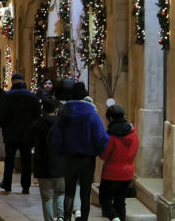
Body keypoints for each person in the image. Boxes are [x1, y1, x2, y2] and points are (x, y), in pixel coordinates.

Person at [49, 82, 109, 221]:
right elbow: (101, 137)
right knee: (85, 193)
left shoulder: (65, 113)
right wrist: (98, 151)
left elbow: (55, 136)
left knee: (69, 192)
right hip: (87, 160)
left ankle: (66, 218)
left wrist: (60, 151)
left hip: (69, 158)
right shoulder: (91, 114)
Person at [0, 73, 40, 194]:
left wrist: (4, 127)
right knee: (26, 160)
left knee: (9, 159)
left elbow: (2, 116)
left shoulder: (7, 96)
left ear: (12, 82)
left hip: (10, 133)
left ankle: (7, 183)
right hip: (27, 134)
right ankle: (25, 186)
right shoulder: (32, 96)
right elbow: (37, 115)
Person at [99, 105, 139, 221]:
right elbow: (135, 149)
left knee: (104, 198)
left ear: (111, 118)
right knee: (120, 201)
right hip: (128, 172)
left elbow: (104, 155)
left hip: (111, 173)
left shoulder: (111, 135)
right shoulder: (133, 132)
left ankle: (115, 218)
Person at [31, 97, 65, 221]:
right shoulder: (62, 125)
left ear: (42, 109)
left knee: (47, 197)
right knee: (60, 193)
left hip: (42, 165)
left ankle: (50, 219)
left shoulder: (36, 124)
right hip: (60, 165)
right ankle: (60, 216)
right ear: (56, 110)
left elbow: (30, 142)